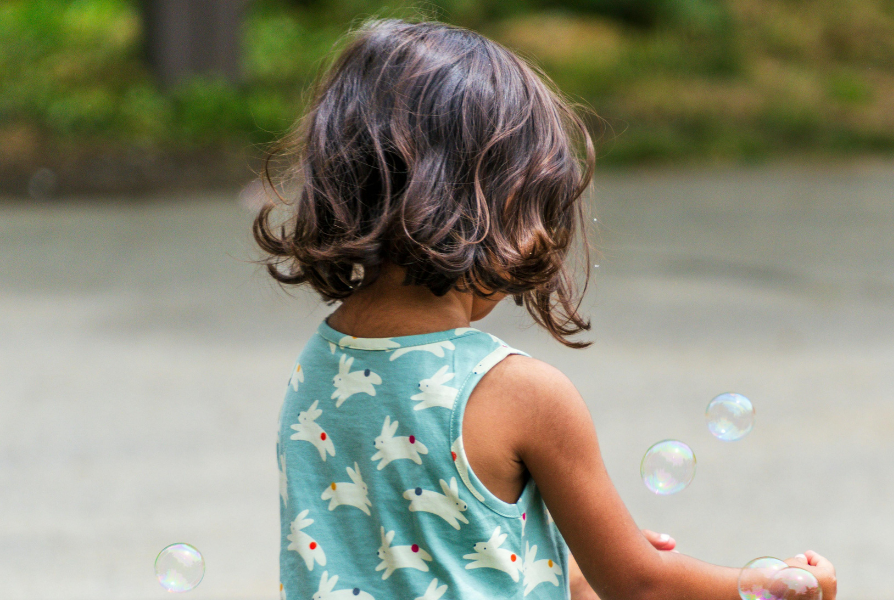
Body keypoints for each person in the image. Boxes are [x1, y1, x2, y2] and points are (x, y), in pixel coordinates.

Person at [256, 19, 836, 600]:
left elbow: (410, 556)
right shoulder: (522, 395)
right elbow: (638, 585)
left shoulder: (318, 370)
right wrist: (768, 585)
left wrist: (564, 565)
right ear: (495, 204)